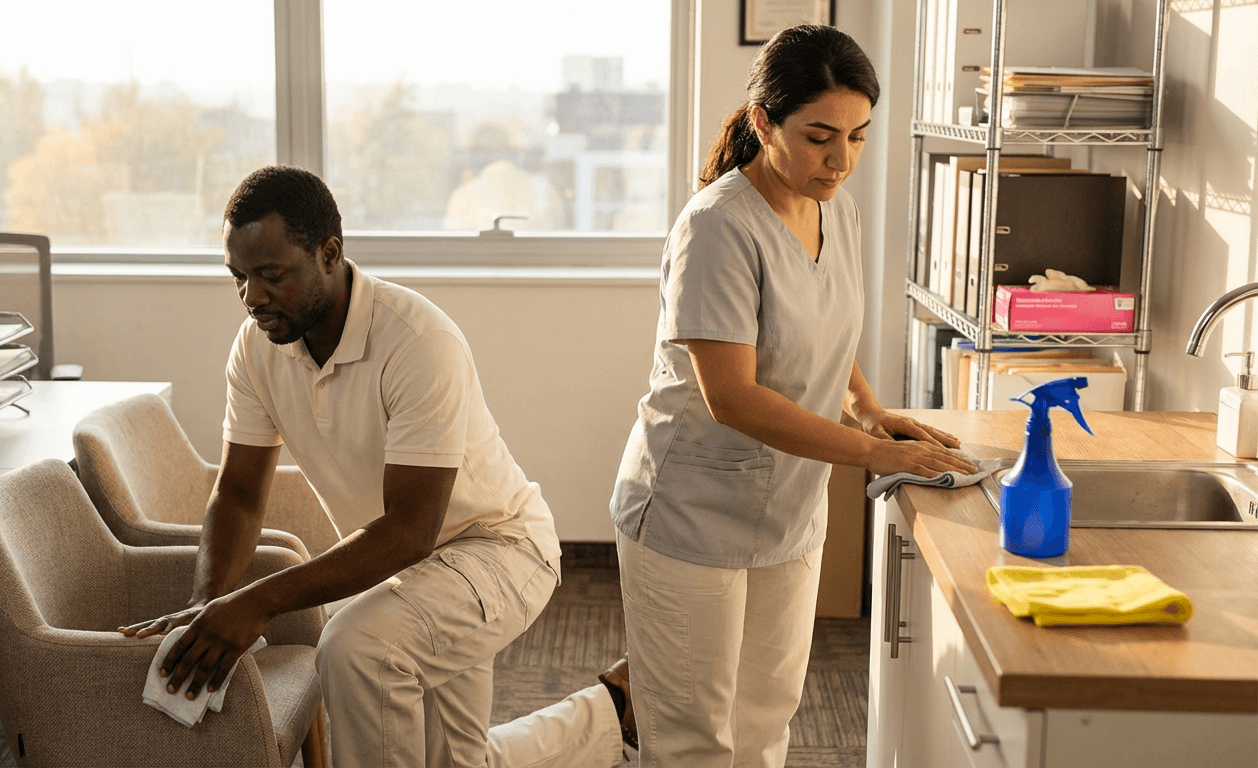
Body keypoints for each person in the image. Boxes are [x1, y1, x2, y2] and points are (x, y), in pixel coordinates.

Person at [119, 165, 630, 767]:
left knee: (355, 646)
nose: (252, 297)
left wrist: (256, 603)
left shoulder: (416, 339)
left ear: (329, 253)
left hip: (500, 550)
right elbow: (237, 493)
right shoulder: (257, 347)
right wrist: (211, 607)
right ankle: (615, 711)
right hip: (409, 569)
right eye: (238, 277)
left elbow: (412, 526)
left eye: (271, 275)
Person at [605, 25, 978, 767]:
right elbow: (733, 398)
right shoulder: (717, 228)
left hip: (789, 510)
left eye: (858, 137)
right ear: (762, 123)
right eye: (818, 137)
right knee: (692, 740)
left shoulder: (835, 207)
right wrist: (875, 452)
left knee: (766, 719)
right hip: (690, 512)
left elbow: (824, 333)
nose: (841, 160)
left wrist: (869, 407)